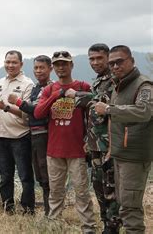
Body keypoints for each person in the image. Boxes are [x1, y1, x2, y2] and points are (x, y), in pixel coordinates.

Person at [34, 51, 96, 233]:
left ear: (72, 65)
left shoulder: (82, 86)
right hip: (54, 150)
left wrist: (75, 95)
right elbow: (38, 113)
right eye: (58, 64)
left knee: (82, 191)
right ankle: (54, 224)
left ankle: (88, 227)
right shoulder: (48, 90)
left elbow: (93, 110)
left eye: (65, 63)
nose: (61, 67)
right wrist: (57, 95)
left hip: (77, 149)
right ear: (53, 67)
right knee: (56, 191)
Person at [95, 45, 152, 233]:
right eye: (112, 63)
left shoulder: (143, 85)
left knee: (130, 209)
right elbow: (116, 123)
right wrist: (112, 148)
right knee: (124, 205)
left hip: (134, 157)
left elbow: (144, 111)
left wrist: (109, 109)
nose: (115, 66)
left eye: (120, 61)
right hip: (121, 154)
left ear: (132, 61)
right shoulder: (120, 85)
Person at [76, 43, 120, 233]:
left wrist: (80, 96)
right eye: (91, 59)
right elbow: (93, 116)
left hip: (110, 146)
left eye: (99, 58)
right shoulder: (99, 81)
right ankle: (106, 225)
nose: (95, 62)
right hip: (95, 145)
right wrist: (88, 140)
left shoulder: (115, 80)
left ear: (108, 58)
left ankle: (112, 228)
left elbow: (110, 111)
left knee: (111, 192)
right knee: (99, 189)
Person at [7, 54, 52, 216]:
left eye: (42, 68)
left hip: (46, 136)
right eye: (36, 68)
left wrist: (18, 102)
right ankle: (49, 213)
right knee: (40, 175)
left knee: (47, 176)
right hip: (33, 135)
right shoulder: (36, 89)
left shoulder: (51, 88)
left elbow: (39, 112)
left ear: (50, 69)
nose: (39, 71)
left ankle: (51, 214)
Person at [0, 50, 35, 214]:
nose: (10, 65)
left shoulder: (27, 84)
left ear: (21, 64)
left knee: (25, 176)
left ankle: (28, 209)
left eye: (14, 62)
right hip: (1, 136)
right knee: (5, 176)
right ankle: (7, 208)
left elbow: (27, 113)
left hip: (20, 136)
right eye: (7, 62)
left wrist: (8, 107)